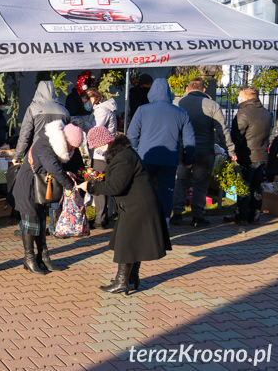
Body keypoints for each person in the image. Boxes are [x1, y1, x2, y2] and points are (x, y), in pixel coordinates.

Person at [79, 126, 171, 294]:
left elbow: (116, 186)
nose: (97, 150)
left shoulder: (123, 157)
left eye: (97, 146)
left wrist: (91, 186)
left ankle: (122, 281)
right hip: (137, 204)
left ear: (105, 142)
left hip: (137, 205)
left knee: (127, 243)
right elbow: (118, 179)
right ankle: (132, 278)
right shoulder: (123, 154)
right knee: (132, 242)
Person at [8, 120, 83, 275]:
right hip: (27, 187)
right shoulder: (45, 143)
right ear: (66, 139)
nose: (72, 150)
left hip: (39, 188)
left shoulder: (53, 143)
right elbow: (53, 168)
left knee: (41, 223)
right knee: (31, 223)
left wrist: (67, 175)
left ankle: (43, 257)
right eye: (72, 146)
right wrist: (71, 186)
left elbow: (52, 168)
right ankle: (29, 259)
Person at [127, 78, 196, 224]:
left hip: (146, 157)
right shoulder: (181, 113)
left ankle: (143, 224)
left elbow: (132, 135)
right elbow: (190, 141)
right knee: (166, 193)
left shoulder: (142, 110)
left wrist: (136, 152)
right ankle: (163, 225)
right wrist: (188, 160)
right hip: (169, 159)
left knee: (143, 191)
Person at [173, 78, 236, 227]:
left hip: (182, 150)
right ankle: (198, 215)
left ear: (187, 89)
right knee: (200, 183)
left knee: (180, 181)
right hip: (204, 150)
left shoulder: (177, 104)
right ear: (203, 91)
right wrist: (230, 149)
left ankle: (177, 214)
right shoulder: (212, 105)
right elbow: (222, 129)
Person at [13, 80, 71, 234]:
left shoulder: (33, 109)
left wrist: (18, 155)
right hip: (57, 155)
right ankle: (55, 226)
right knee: (54, 188)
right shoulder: (64, 110)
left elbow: (25, 136)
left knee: (32, 191)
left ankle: (29, 226)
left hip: (36, 156)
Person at [225, 86, 272, 225]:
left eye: (239, 96)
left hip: (246, 156)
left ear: (245, 98)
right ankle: (255, 216)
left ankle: (242, 216)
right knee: (257, 187)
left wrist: (233, 152)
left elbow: (237, 136)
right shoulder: (266, 113)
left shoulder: (243, 114)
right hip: (261, 154)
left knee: (244, 187)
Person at [75, 88, 118, 229]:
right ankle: (102, 216)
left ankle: (101, 219)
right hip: (98, 154)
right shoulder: (99, 110)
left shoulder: (102, 111)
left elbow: (96, 132)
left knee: (99, 185)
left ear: (92, 98)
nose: (85, 105)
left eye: (85, 102)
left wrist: (82, 124)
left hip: (101, 155)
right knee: (98, 184)